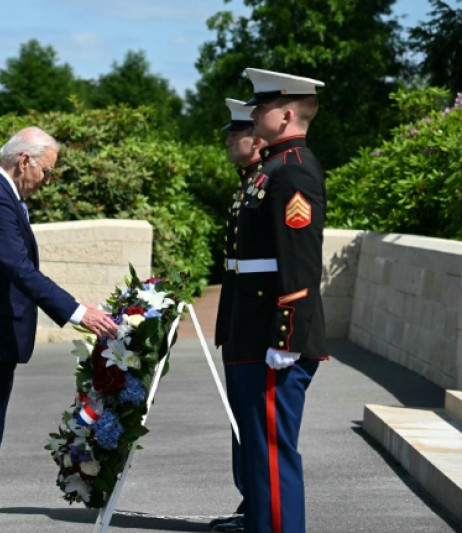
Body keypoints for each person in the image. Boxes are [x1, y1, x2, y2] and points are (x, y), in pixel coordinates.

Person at [0, 126, 119, 533]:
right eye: (48, 172)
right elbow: (19, 269)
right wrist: (77, 312)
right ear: (25, 161)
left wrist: (80, 306)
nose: (48, 181)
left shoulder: (3, 198)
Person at [222, 68, 330, 533]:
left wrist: (285, 338)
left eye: (263, 106)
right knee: (258, 453)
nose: (255, 112)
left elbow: (300, 265)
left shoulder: (293, 171)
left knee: (271, 453)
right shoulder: (272, 170)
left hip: (273, 334)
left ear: (286, 115)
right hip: (252, 329)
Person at [211, 97, 269, 533]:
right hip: (239, 324)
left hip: (256, 326)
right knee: (240, 425)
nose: (231, 139)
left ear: (257, 139)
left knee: (253, 426)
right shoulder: (248, 182)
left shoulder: (267, 182)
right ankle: (250, 507)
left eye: (237, 132)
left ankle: (258, 512)